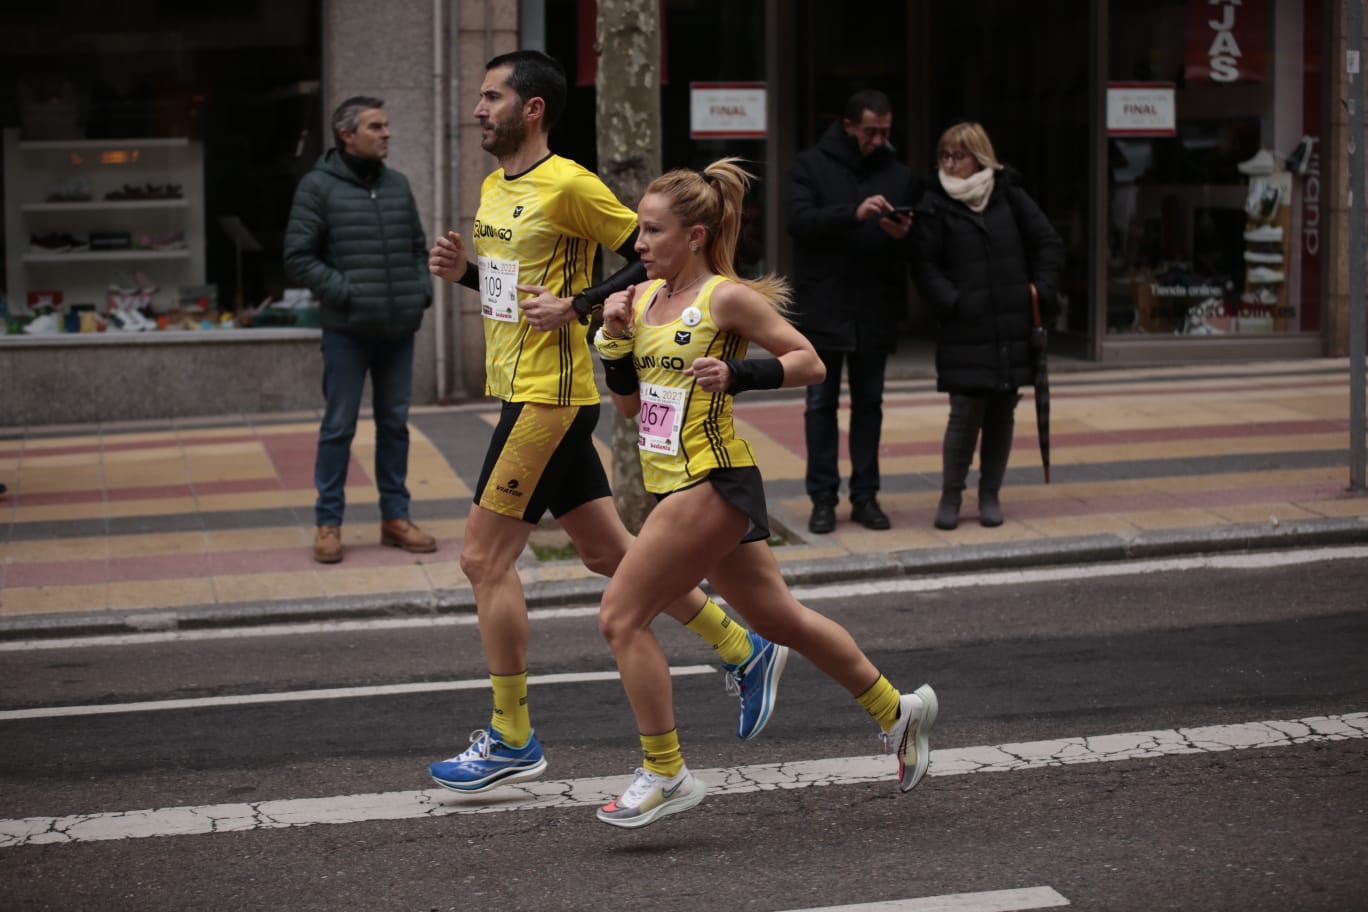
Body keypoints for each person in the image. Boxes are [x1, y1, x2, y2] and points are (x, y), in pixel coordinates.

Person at [424, 51, 785, 795]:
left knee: (481, 561)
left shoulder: (570, 185)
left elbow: (644, 259)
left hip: (548, 396)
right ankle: (740, 645)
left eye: (492, 96)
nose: (478, 108)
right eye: (479, 95)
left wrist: (580, 307)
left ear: (533, 109)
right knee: (605, 552)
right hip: (516, 386)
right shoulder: (496, 186)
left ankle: (512, 737)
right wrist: (464, 271)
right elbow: (511, 290)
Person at [592, 158, 938, 829]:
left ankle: (665, 772)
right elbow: (630, 409)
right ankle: (899, 712)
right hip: (675, 483)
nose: (638, 245)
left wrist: (740, 373)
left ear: (694, 235)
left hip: (714, 478)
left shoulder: (722, 297)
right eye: (639, 230)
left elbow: (807, 360)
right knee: (778, 619)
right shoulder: (639, 300)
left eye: (652, 232)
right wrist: (611, 340)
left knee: (619, 617)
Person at [284, 96, 437, 564]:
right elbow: (298, 257)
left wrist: (420, 292)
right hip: (347, 331)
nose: (387, 133)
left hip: (397, 329)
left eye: (387, 125)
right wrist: (347, 292)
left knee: (395, 425)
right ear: (347, 135)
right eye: (376, 126)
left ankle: (396, 518)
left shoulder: (397, 185)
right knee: (338, 427)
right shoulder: (317, 187)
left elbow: (416, 247)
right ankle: (328, 524)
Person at [911, 122, 1064, 530]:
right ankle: (951, 493)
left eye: (958, 155)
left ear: (979, 156)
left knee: (1002, 411)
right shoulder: (934, 202)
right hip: (965, 326)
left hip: (1011, 324)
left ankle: (990, 493)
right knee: (964, 413)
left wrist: (1039, 289)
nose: (949, 163)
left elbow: (1047, 242)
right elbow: (924, 264)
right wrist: (951, 300)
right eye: (944, 155)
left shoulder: (1009, 195)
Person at [787, 89, 917, 535]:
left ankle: (866, 498)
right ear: (848, 126)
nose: (878, 139)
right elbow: (799, 222)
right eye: (869, 131)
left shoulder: (899, 174)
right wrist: (853, 213)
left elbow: (920, 243)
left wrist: (905, 234)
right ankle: (823, 499)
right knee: (820, 404)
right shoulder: (810, 166)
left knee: (870, 405)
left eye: (885, 131)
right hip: (825, 307)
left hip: (875, 308)